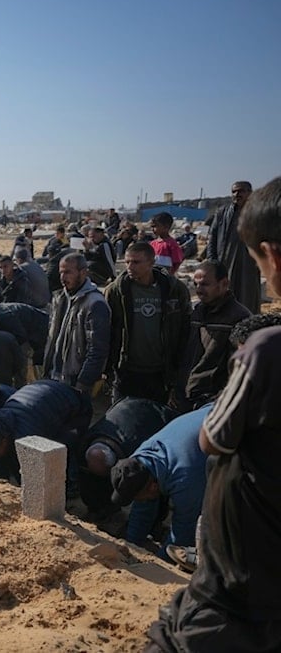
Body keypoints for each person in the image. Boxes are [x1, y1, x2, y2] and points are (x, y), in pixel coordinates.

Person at [144, 176, 281, 652]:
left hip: (244, 577)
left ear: (272, 258)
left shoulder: (262, 346)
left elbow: (214, 439)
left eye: (260, 264)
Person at [109, 404, 210, 563]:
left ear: (153, 487)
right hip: (210, 417)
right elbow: (143, 507)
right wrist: (131, 546)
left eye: (138, 497)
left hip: (244, 428)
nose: (138, 501)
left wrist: (158, 565)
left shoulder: (185, 479)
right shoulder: (141, 459)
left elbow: (183, 534)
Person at [105, 242, 190, 404]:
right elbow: (108, 330)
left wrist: (179, 369)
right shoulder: (116, 290)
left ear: (151, 263)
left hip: (161, 372)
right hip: (127, 371)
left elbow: (185, 329)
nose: (130, 266)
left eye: (136, 262)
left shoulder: (174, 289)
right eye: (127, 262)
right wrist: (108, 368)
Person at [0, 379, 93, 485]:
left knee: (60, 453)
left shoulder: (28, 436)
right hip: (44, 396)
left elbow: (33, 480)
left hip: (75, 408)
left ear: (4, 440)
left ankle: (71, 486)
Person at [78, 396, 178, 516]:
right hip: (128, 406)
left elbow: (147, 487)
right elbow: (85, 479)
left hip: (161, 416)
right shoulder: (85, 443)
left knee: (150, 486)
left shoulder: (139, 452)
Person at [178, 259, 251, 410]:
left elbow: (242, 367)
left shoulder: (239, 318)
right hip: (186, 397)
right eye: (196, 284)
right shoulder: (196, 313)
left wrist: (220, 398)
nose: (198, 290)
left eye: (205, 284)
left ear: (224, 284)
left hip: (212, 403)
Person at [43, 252, 110, 395]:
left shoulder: (94, 304)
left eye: (68, 272)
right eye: (61, 272)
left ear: (83, 272)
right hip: (55, 376)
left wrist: (84, 382)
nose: (63, 277)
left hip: (75, 381)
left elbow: (98, 349)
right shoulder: (60, 298)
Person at [203, 180, 262, 314]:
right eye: (234, 191)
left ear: (250, 193)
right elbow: (213, 236)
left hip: (249, 265)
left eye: (241, 191)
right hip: (225, 262)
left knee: (247, 296)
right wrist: (212, 260)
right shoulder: (222, 212)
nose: (236, 194)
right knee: (223, 296)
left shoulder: (258, 213)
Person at [149, 212, 184, 276]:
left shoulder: (172, 244)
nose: (152, 229)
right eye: (151, 226)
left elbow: (177, 261)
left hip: (166, 276)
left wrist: (170, 274)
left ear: (166, 227)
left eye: (155, 226)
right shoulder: (152, 243)